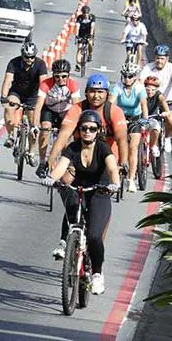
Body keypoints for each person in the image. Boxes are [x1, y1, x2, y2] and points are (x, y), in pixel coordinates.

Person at [42, 110, 120, 295]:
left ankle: (97, 275)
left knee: (94, 236)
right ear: (79, 130)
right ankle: (67, 244)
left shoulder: (103, 149)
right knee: (71, 211)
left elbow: (112, 168)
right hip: (79, 191)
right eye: (84, 128)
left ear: (98, 131)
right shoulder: (73, 148)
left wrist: (115, 184)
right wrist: (51, 178)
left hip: (100, 192)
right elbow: (61, 166)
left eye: (92, 129)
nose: (87, 132)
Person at [48, 74, 128, 178]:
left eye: (100, 92)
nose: (96, 96)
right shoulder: (77, 109)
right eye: (92, 91)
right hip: (80, 157)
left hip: (106, 159)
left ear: (107, 94)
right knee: (65, 180)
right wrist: (52, 158)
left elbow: (122, 139)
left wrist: (123, 163)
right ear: (86, 92)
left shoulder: (114, 111)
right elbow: (64, 134)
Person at [0, 42, 48, 167]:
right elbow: (7, 81)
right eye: (26, 57)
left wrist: (41, 101)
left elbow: (43, 83)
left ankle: (31, 153)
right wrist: (4, 97)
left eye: (32, 57)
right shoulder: (13, 63)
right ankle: (10, 136)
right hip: (17, 92)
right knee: (9, 106)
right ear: (22, 55)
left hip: (33, 95)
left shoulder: (40, 64)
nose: (29, 59)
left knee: (34, 125)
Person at [32, 59, 81, 178]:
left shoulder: (72, 84)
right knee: (45, 130)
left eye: (64, 76)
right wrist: (34, 126)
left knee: (64, 142)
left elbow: (77, 107)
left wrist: (77, 126)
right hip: (49, 110)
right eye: (57, 76)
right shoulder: (45, 84)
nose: (61, 79)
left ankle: (64, 166)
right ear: (53, 75)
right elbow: (38, 106)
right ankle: (43, 162)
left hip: (66, 111)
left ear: (68, 75)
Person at [108, 62, 148, 192]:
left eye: (130, 76)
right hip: (120, 118)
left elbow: (144, 106)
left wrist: (145, 120)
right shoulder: (118, 87)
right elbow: (111, 103)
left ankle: (131, 179)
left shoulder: (139, 88)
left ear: (135, 77)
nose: (127, 79)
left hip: (134, 119)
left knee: (133, 147)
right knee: (114, 143)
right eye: (124, 76)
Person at [139, 44, 172, 153]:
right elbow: (140, 81)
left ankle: (167, 137)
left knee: (171, 119)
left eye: (162, 58)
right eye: (157, 58)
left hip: (167, 101)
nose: (159, 61)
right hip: (151, 101)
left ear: (167, 59)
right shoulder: (148, 67)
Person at [144, 76, 170, 157]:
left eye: (153, 90)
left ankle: (153, 146)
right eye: (148, 89)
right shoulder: (141, 94)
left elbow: (166, 108)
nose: (150, 92)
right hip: (141, 118)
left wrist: (165, 113)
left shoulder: (159, 96)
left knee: (155, 128)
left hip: (152, 117)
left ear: (157, 89)